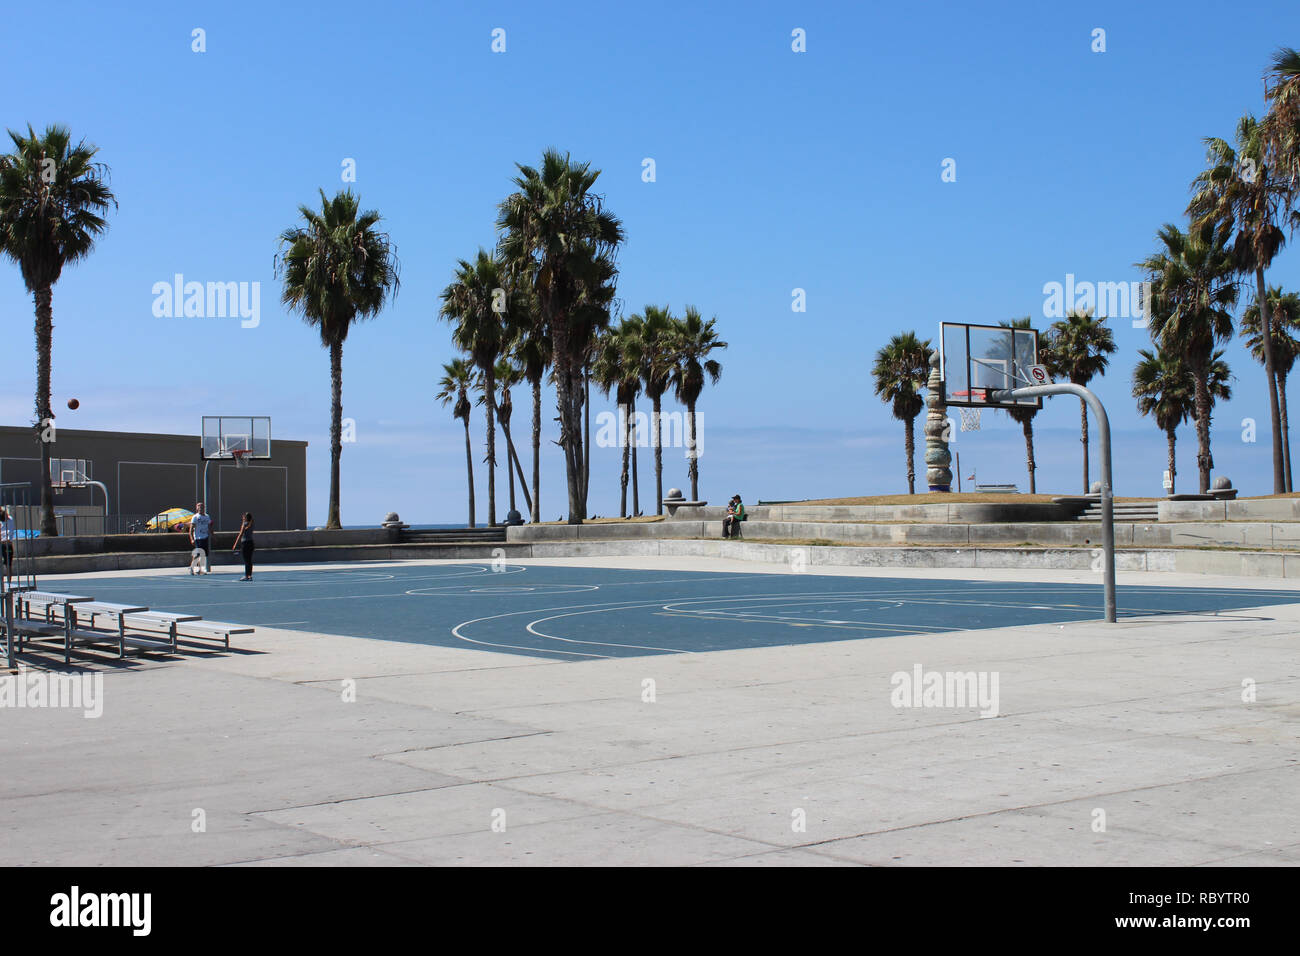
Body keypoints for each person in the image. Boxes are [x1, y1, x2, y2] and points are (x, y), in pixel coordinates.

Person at [188, 502, 213, 573]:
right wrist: (192, 539)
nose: (201, 508)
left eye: (202, 507)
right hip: (198, 538)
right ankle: (192, 567)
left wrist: (212, 534)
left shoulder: (207, 516)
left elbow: (209, 526)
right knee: (198, 554)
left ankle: (199, 569)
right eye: (199, 507)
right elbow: (191, 529)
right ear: (197, 508)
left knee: (203, 555)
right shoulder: (195, 517)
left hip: (205, 537)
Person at [232, 512, 255, 581]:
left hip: (245, 543)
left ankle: (246, 576)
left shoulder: (244, 524)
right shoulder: (252, 524)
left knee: (246, 560)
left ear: (245, 517)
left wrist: (235, 544)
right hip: (251, 543)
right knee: (249, 560)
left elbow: (240, 534)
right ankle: (249, 575)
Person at [0, 507, 15, 587]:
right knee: (8, 564)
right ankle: (9, 582)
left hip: (2, 544)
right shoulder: (10, 519)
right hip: (9, 544)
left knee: (5, 564)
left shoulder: (1, 522)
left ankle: (2, 582)